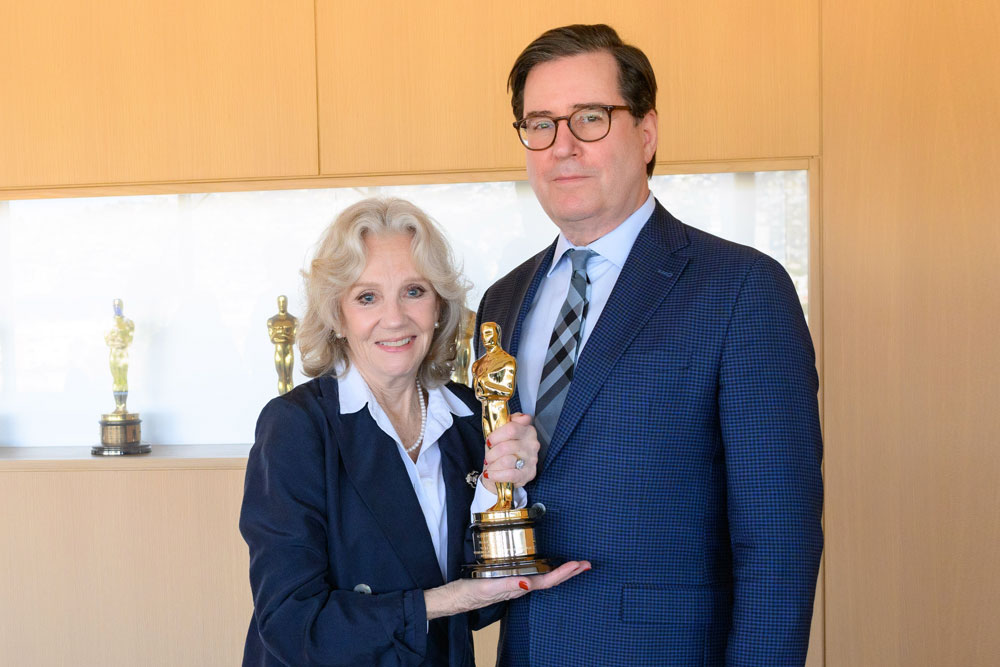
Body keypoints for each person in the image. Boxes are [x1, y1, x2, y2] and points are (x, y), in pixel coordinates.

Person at [474, 24, 824, 666]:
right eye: (540, 124)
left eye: (589, 118)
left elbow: (779, 539)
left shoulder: (742, 289)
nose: (562, 147)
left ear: (646, 131)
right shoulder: (501, 301)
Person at [239, 198, 588, 667]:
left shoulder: (471, 413)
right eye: (367, 297)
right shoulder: (297, 426)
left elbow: (480, 600)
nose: (395, 318)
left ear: (440, 307)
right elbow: (291, 624)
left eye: (414, 291)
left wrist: (500, 485)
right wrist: (446, 601)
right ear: (338, 316)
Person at [266, 294, 299, 395]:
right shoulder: (272, 321)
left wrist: (280, 335)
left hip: (289, 350)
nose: (282, 305)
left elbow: (294, 338)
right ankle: (283, 400)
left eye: (283, 302)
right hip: (279, 351)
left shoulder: (293, 320)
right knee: (281, 377)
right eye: (280, 302)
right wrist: (285, 335)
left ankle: (289, 400)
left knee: (289, 376)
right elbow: (272, 338)